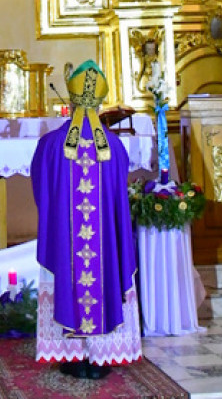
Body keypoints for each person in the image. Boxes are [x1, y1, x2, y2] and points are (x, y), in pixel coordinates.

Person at [31, 60, 142, 378]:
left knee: (66, 274)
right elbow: (119, 201)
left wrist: (58, 223)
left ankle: (73, 354)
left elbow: (42, 192)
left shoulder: (51, 145)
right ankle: (101, 354)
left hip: (67, 243)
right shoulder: (115, 147)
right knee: (104, 270)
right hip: (103, 243)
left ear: (72, 100)